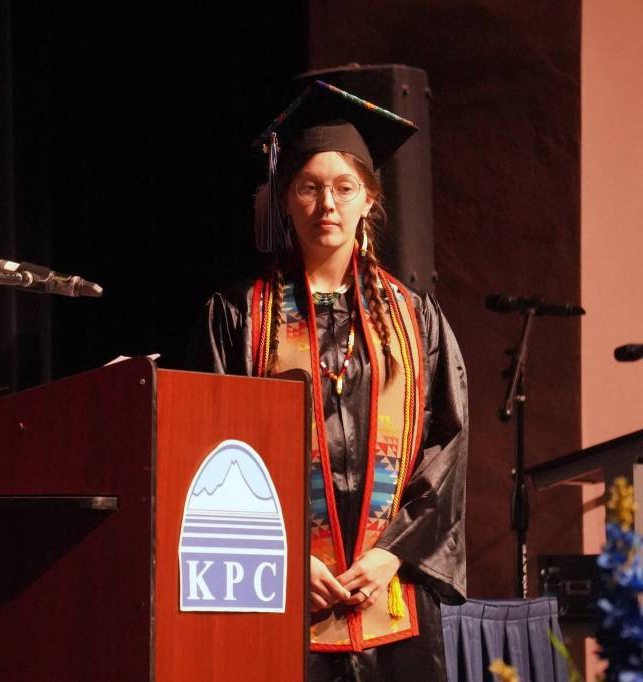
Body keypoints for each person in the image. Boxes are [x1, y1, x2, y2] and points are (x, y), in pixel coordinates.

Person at [190, 81, 468, 680]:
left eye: (344, 188)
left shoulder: (413, 317)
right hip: (279, 589)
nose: (327, 205)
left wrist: (392, 554)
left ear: (369, 198)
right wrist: (282, 555)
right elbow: (212, 448)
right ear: (285, 200)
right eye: (309, 188)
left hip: (393, 593)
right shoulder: (241, 316)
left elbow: (445, 445)